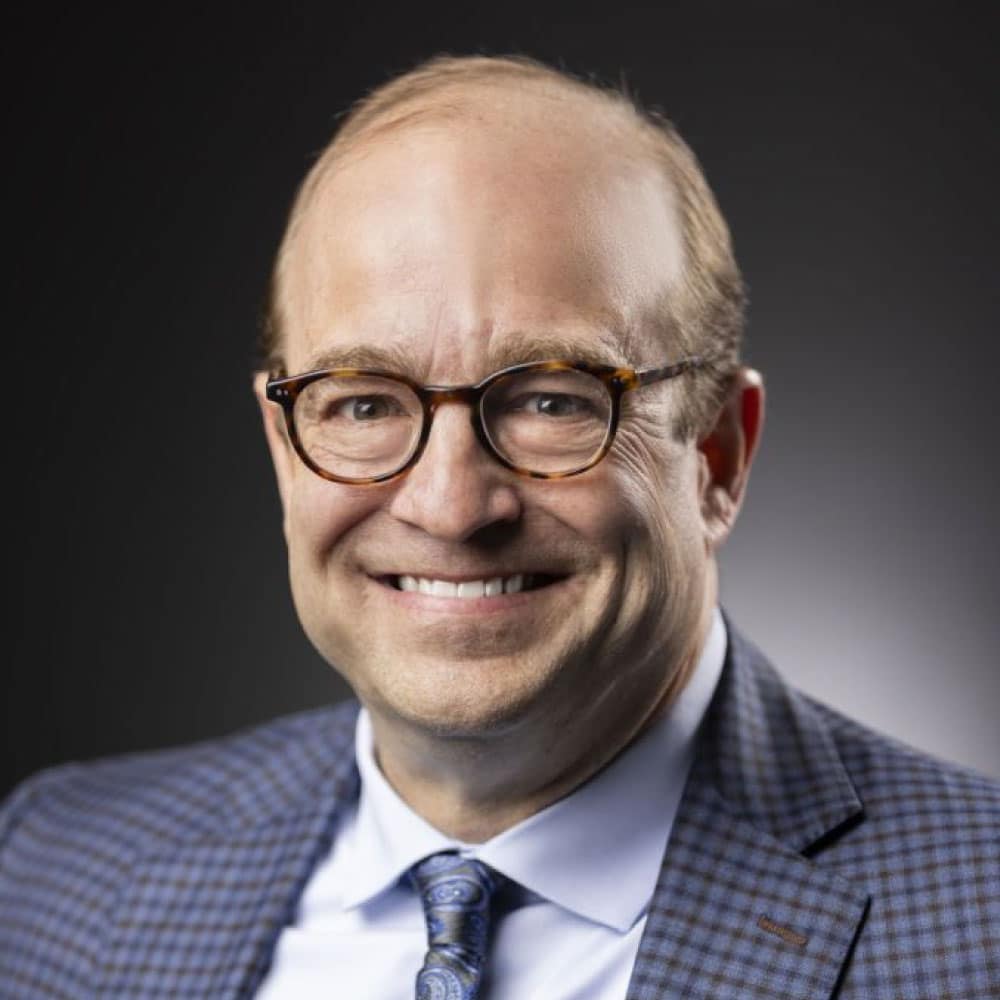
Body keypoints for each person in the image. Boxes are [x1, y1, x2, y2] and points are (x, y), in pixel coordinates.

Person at [1, 53, 996, 1000]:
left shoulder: (978, 920)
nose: (449, 506)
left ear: (717, 458)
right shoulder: (55, 872)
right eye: (362, 403)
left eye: (552, 399)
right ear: (281, 441)